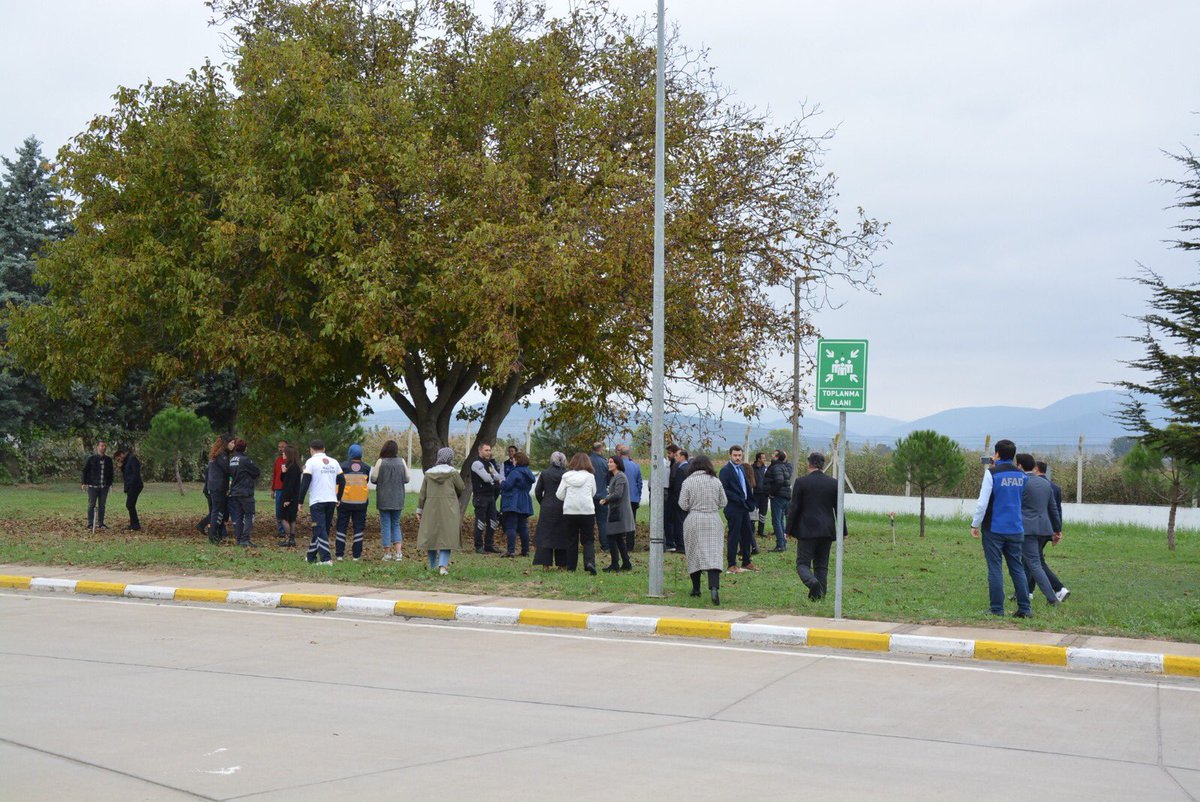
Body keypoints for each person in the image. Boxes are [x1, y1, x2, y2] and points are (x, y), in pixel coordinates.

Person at [970, 439, 1032, 618]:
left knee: (995, 568)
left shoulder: (992, 473)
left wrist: (975, 524)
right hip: (1016, 528)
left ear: (996, 454)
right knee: (1017, 568)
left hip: (994, 529)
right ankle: (1025, 608)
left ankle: (997, 609)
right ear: (1013, 455)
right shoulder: (1022, 476)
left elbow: (982, 503)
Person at [787, 452, 845, 600]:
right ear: (823, 465)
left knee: (802, 564)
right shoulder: (833, 483)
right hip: (827, 530)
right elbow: (839, 508)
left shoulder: (801, 482)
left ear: (809, 464)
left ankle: (813, 583)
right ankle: (820, 595)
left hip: (807, 530)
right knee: (821, 565)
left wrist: (788, 530)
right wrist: (843, 531)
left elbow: (794, 508)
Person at [678, 455, 727, 605]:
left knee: (694, 553)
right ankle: (714, 588)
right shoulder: (716, 481)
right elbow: (723, 501)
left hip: (694, 519)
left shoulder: (688, 482)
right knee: (713, 554)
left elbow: (683, 504)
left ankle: (696, 589)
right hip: (713, 519)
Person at [1016, 453, 1063, 606]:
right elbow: (1053, 508)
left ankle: (1052, 598)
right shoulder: (1045, 484)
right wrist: (1057, 530)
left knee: (1034, 564)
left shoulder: (1021, 482)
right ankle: (1023, 593)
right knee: (1035, 562)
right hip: (1044, 528)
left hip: (1027, 529)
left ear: (1020, 466)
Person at [416, 447, 465, 575]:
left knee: (431, 537)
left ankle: (432, 565)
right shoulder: (453, 473)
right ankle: (442, 566)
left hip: (430, 508)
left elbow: (423, 493)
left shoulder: (429, 473)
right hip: (449, 508)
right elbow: (461, 487)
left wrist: (419, 509)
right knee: (446, 537)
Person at [299, 439, 345, 565]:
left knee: (319, 528)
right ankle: (311, 556)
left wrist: (300, 500)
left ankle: (326, 559)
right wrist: (338, 497)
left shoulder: (311, 462)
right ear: (324, 449)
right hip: (331, 500)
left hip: (317, 501)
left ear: (311, 450)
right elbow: (342, 480)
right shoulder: (334, 462)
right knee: (322, 529)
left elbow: (305, 482)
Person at [1032, 461, 1069, 601]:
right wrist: (1057, 530)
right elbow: (1057, 510)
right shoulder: (1055, 487)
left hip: (1036, 528)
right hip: (1049, 529)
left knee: (1036, 561)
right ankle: (1028, 592)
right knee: (1033, 559)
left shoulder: (1033, 485)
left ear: (1036, 469)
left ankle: (1059, 588)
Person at [557, 452, 598, 574]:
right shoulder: (590, 477)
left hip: (570, 511)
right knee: (588, 540)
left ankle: (571, 567)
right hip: (587, 511)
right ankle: (589, 562)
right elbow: (593, 492)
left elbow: (559, 494)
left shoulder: (566, 476)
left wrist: (569, 498)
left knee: (571, 540)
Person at [719, 446, 756, 573]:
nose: (737, 458)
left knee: (747, 534)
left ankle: (746, 561)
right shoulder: (725, 470)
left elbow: (745, 485)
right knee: (734, 535)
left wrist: (750, 501)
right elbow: (724, 489)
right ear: (730, 455)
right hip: (733, 507)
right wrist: (738, 498)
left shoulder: (741, 469)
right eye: (735, 455)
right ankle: (731, 564)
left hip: (744, 507)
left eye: (739, 455)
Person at [370, 440, 409, 561]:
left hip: (384, 498)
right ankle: (398, 553)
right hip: (398, 497)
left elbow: (373, 479)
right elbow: (407, 479)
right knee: (396, 524)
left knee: (386, 525)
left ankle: (387, 553)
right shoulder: (402, 461)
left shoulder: (380, 461)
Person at [533, 452, 570, 569]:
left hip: (547, 506)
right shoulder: (566, 474)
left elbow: (538, 491)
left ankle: (545, 564)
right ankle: (562, 564)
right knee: (562, 534)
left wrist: (543, 502)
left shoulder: (545, 473)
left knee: (545, 535)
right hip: (563, 506)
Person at [335, 444, 371, 561]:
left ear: (349, 453)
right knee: (358, 528)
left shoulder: (342, 467)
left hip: (344, 501)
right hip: (361, 503)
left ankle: (339, 554)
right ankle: (356, 555)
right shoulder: (366, 467)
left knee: (341, 527)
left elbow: (338, 482)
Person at [600, 455, 634, 571]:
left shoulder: (620, 477)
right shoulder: (615, 477)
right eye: (608, 462)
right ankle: (626, 563)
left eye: (611, 462)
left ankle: (615, 564)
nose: (609, 464)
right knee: (618, 538)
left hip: (619, 512)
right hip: (616, 511)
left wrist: (606, 499)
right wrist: (607, 500)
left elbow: (618, 494)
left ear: (617, 464)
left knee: (611, 536)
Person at [500, 451, 536, 557]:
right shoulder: (528, 473)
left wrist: (501, 483)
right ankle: (525, 550)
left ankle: (510, 550)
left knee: (511, 526)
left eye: (514, 459)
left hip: (513, 501)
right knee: (523, 527)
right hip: (525, 500)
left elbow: (507, 485)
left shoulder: (515, 472)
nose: (512, 461)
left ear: (518, 460)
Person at [227, 439, 261, 548]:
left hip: (235, 492)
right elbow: (257, 471)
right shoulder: (245, 460)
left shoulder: (232, 460)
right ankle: (245, 539)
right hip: (245, 492)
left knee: (238, 516)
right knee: (249, 515)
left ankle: (239, 538)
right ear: (245, 448)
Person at [470, 443, 503, 554]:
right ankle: (479, 546)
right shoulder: (476, 463)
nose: (489, 452)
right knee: (480, 522)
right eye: (486, 450)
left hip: (491, 496)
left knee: (493, 521)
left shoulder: (489, 464)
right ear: (480, 451)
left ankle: (489, 545)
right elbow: (486, 478)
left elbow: (499, 477)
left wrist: (492, 476)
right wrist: (492, 476)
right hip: (481, 497)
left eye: (489, 450)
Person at [202, 435, 231, 544]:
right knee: (216, 512)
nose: (232, 445)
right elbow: (228, 470)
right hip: (218, 487)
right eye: (231, 443)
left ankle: (216, 534)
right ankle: (213, 535)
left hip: (214, 486)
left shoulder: (215, 455)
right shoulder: (221, 456)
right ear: (225, 444)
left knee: (217, 512)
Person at [81, 440, 115, 531]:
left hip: (104, 487)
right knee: (91, 504)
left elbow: (111, 473)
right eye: (102, 446)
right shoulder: (91, 459)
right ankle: (90, 524)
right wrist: (84, 483)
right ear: (97, 447)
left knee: (102, 505)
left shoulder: (108, 460)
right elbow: (85, 471)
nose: (103, 447)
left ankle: (101, 523)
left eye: (105, 446)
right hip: (92, 487)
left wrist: (110, 484)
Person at [764, 450, 793, 552]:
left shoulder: (776, 467)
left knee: (776, 521)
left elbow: (779, 481)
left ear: (776, 457)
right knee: (780, 520)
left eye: (773, 454)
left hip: (778, 496)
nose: (772, 456)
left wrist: (771, 492)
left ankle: (780, 544)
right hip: (785, 495)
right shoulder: (784, 466)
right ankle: (783, 543)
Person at [616, 444, 643, 551]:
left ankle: (620, 544)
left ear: (620, 453)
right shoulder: (636, 466)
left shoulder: (617, 466)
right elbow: (640, 483)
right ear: (629, 454)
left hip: (620, 498)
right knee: (631, 522)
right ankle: (630, 545)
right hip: (633, 498)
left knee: (619, 520)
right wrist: (638, 496)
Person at [277, 444, 302, 547]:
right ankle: (291, 539)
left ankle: (289, 538)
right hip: (292, 496)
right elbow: (284, 480)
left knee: (283, 517)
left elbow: (290, 485)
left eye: (285, 452)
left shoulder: (293, 467)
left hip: (289, 496)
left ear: (289, 454)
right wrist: (283, 472)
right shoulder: (291, 466)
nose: (283, 453)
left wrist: (288, 499)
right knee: (291, 518)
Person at [665, 448, 689, 552]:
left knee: (679, 523)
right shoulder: (690, 467)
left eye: (677, 455)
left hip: (679, 500)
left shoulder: (680, 469)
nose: (675, 457)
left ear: (682, 456)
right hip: (688, 499)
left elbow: (678, 487)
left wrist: (676, 500)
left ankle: (681, 545)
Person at [114, 446, 143, 531]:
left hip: (135, 486)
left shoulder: (132, 459)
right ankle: (134, 524)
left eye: (119, 459)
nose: (119, 461)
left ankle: (135, 524)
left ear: (122, 454)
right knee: (130, 505)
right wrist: (121, 466)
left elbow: (135, 473)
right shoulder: (126, 461)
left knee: (129, 504)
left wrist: (131, 485)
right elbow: (126, 473)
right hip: (130, 486)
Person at [589, 442, 611, 552]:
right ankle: (605, 546)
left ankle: (589, 545)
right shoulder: (604, 463)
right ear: (601, 449)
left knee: (589, 522)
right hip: (602, 495)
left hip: (589, 496)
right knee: (602, 522)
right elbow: (608, 480)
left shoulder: (587, 461)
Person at [271, 440, 288, 539]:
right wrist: (273, 489)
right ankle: (281, 531)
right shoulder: (278, 460)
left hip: (288, 489)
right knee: (278, 511)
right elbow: (275, 475)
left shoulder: (291, 460)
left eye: (283, 446)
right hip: (278, 489)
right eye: (279, 447)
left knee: (287, 510)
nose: (281, 449)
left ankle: (288, 531)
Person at [752, 452, 770, 539]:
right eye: (763, 458)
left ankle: (761, 531)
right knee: (753, 512)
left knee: (763, 513)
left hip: (764, 495)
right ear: (758, 459)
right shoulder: (751, 468)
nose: (764, 459)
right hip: (754, 494)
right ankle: (751, 530)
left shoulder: (766, 468)